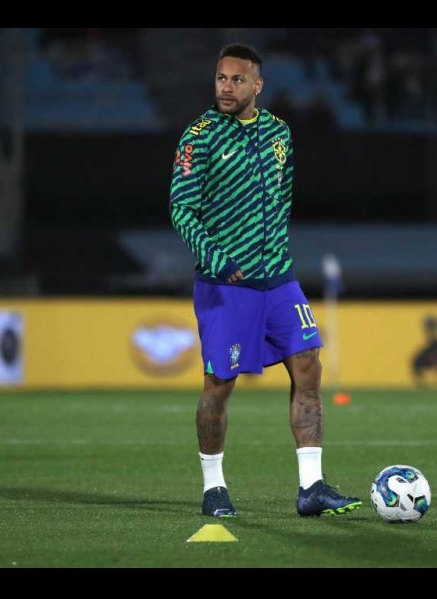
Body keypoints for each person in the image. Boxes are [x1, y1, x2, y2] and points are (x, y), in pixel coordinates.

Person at [169, 44, 362, 518]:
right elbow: (181, 209)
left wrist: (274, 251)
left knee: (309, 365)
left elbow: (281, 197)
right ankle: (214, 487)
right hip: (225, 284)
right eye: (221, 78)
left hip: (277, 278)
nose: (226, 87)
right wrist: (216, 257)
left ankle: (311, 486)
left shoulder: (279, 133)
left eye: (237, 80)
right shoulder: (198, 137)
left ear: (257, 85)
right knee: (219, 383)